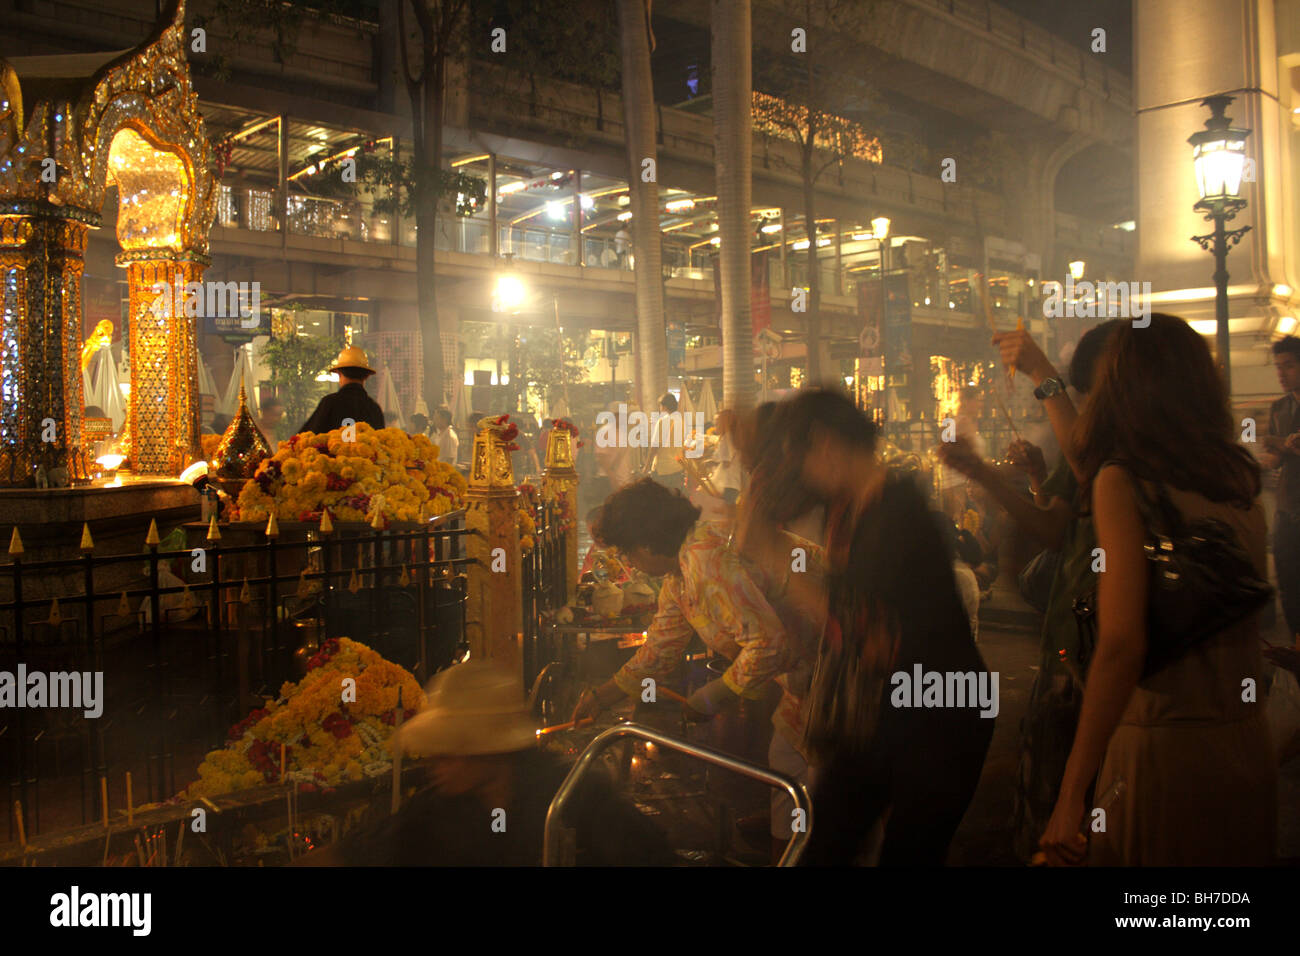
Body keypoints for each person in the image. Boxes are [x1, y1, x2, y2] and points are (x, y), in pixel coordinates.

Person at [1040, 314, 1276, 867]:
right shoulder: (1236, 477)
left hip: (1162, 748)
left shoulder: (1123, 481)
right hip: (1245, 745)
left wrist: (1072, 795)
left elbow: (1122, 645)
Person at [747, 389, 992, 866]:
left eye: (798, 458)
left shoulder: (897, 513)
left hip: (943, 712)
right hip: (883, 711)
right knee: (828, 844)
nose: (800, 474)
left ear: (825, 444)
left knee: (906, 855)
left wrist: (774, 559)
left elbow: (869, 635)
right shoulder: (849, 507)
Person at [939, 319, 1121, 861]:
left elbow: (1084, 477)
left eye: (1093, 382)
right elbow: (1056, 523)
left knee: (1086, 814)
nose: (1086, 397)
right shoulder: (1096, 445)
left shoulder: (1119, 454)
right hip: (1066, 646)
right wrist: (1020, 478)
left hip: (1097, 660)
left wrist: (1042, 372)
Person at [572, 478, 823, 848]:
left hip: (845, 658)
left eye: (627, 552)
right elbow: (661, 646)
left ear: (645, 542)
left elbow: (768, 644)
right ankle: (788, 844)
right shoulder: (679, 573)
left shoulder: (706, 556)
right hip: (807, 674)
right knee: (788, 759)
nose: (630, 564)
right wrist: (603, 695)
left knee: (829, 779)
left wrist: (715, 695)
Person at [297, 662, 672, 866]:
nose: (436, 765)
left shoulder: (575, 795)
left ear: (490, 749)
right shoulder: (441, 807)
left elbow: (650, 857)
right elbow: (360, 853)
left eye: (450, 752)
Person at [1260, 336, 1300, 648]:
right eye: (1278, 367)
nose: (1281, 373)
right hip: (1288, 508)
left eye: (1288, 366)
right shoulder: (1279, 408)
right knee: (1288, 581)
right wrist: (1284, 448)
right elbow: (1270, 449)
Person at [299, 346, 385, 435]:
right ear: (366, 376)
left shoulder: (330, 403)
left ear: (339, 374)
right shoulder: (374, 409)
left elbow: (305, 438)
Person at [644, 392, 685, 491]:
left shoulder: (662, 422)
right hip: (678, 467)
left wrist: (646, 467)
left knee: (662, 500)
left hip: (663, 469)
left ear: (664, 407)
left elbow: (655, 447)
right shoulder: (682, 421)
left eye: (660, 405)